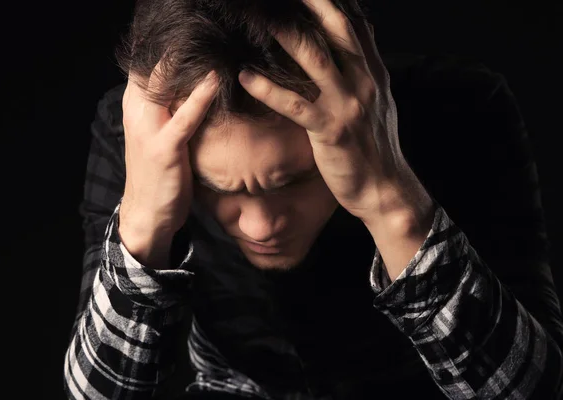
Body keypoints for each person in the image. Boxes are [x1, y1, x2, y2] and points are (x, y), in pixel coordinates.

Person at [63, 0, 563, 398]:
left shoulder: (467, 108)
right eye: (217, 188)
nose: (260, 227)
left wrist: (390, 197)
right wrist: (145, 224)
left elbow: (533, 391)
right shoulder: (143, 135)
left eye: (293, 181)